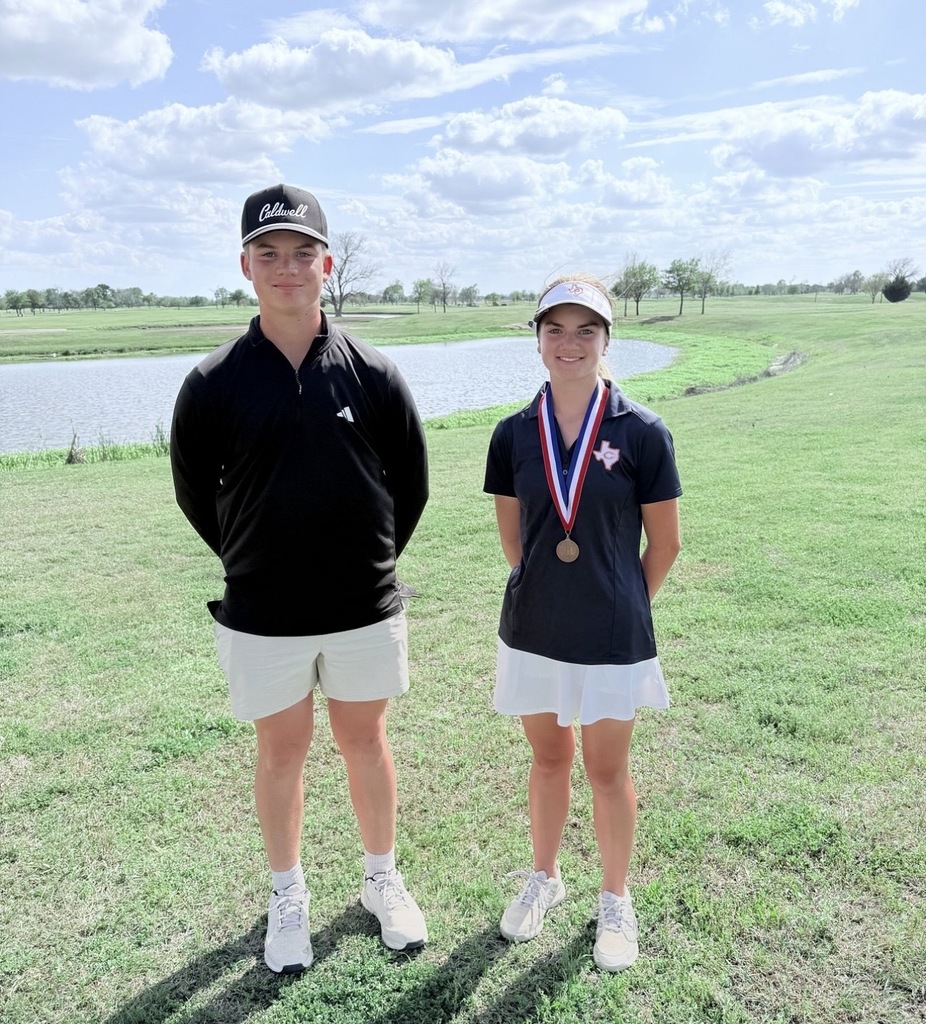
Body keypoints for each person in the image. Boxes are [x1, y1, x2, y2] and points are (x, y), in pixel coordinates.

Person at [170, 184, 429, 974]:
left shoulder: (374, 372)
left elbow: (410, 485)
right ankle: (289, 896)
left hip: (362, 608)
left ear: (327, 264)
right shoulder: (212, 382)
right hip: (262, 613)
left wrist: (367, 559)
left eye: (302, 253)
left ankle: (381, 880)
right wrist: (253, 558)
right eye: (269, 253)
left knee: (365, 741)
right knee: (280, 752)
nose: (287, 267)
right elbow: (195, 495)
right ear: (245, 265)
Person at [483, 274, 682, 972]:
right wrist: (555, 590)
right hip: (534, 628)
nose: (570, 343)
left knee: (606, 769)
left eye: (586, 330)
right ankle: (545, 877)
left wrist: (620, 600)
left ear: (606, 340)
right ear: (538, 340)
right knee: (547, 759)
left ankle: (615, 898)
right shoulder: (512, 434)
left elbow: (666, 545)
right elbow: (515, 542)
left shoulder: (643, 432)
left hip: (613, 636)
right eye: (556, 330)